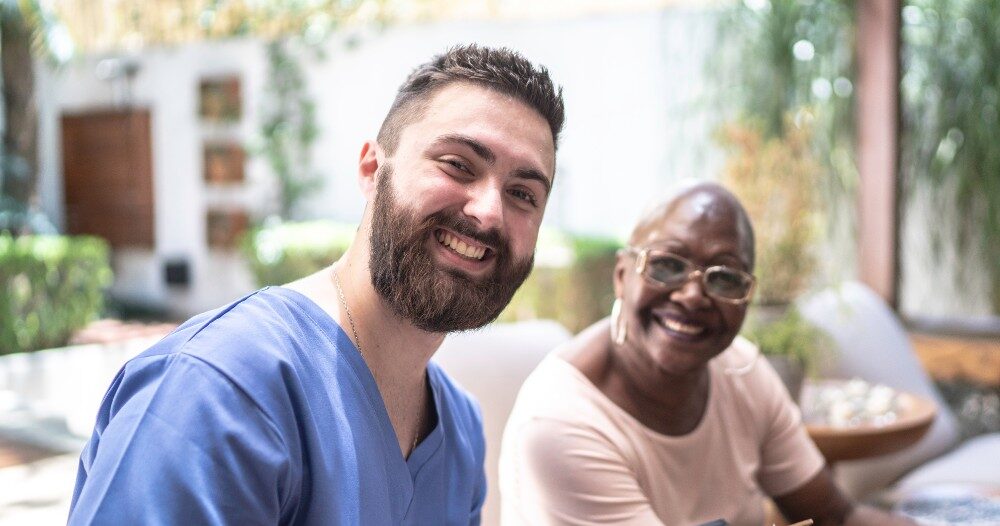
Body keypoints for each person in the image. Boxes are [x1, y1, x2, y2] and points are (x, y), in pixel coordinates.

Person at [69, 44, 564, 525]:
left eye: (523, 194)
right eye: (458, 165)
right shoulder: (219, 389)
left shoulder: (459, 433)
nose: (489, 212)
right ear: (372, 169)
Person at [498, 183, 916, 526]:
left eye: (725, 277)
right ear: (623, 276)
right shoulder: (561, 422)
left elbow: (835, 518)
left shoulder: (744, 372)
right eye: (667, 265)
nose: (693, 295)